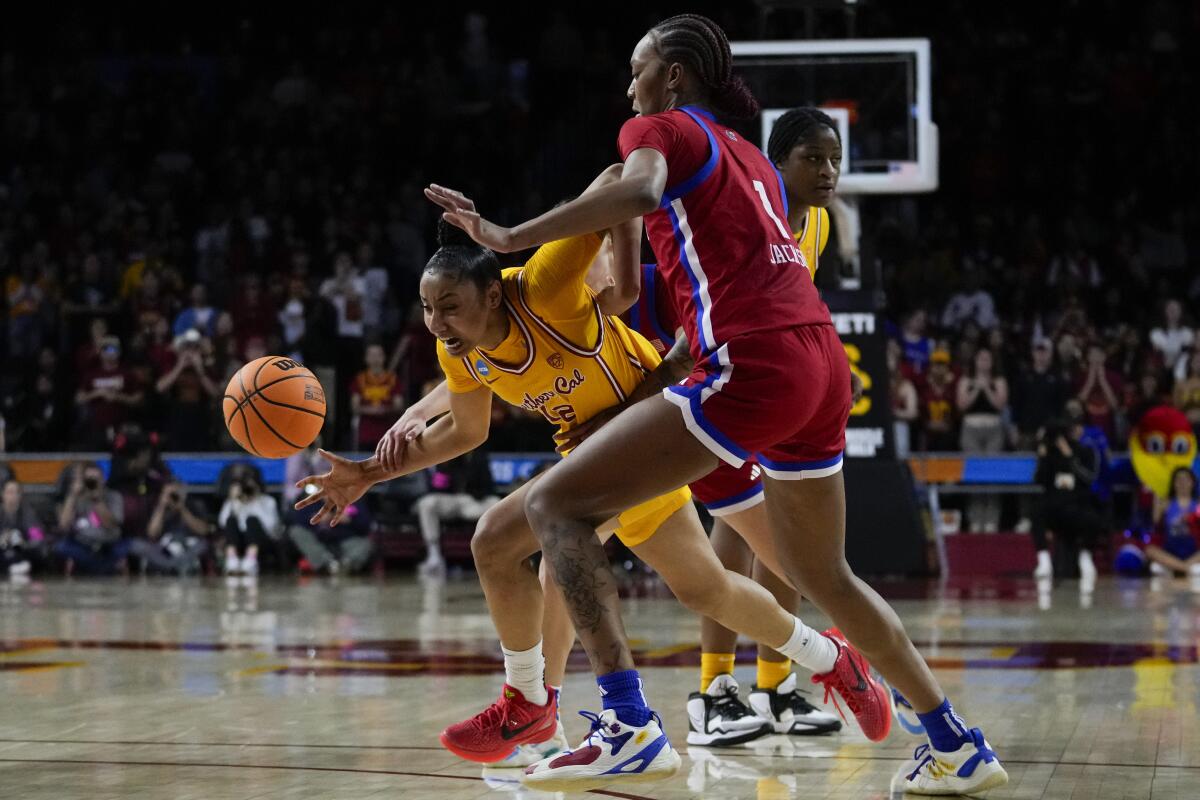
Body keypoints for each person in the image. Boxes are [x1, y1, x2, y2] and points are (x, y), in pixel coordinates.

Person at [425, 14, 1005, 794]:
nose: (628, 86)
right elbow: (655, 250)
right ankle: (954, 740)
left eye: (639, 69)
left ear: (673, 76)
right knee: (821, 573)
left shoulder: (657, 128)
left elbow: (639, 188)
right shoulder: (751, 160)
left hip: (752, 361)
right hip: (818, 359)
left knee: (555, 507)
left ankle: (627, 725)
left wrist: (506, 236)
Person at [298, 199, 880, 783]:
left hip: (654, 429)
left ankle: (536, 706)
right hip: (602, 457)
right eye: (427, 309)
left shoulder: (546, 286)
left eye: (449, 308)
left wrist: (518, 237)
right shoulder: (457, 347)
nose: (436, 323)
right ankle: (832, 657)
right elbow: (467, 431)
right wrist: (367, 474)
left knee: (500, 540)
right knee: (706, 590)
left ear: (493, 294)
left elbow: (615, 185)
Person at [1031, 417, 1104, 583]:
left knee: (1093, 518)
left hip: (1077, 505)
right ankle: (1043, 561)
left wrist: (1070, 457)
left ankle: (1085, 557)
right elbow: (1040, 480)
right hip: (1055, 507)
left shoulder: (1086, 452)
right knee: (1037, 512)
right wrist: (1042, 456)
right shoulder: (1050, 455)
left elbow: (1089, 479)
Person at [413, 444, 500, 578]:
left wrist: (477, 495)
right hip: (453, 500)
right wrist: (443, 467)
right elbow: (437, 486)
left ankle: (497, 554)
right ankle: (433, 554)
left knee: (497, 504)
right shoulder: (448, 453)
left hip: (474, 501)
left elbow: (488, 486)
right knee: (426, 503)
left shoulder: (480, 456)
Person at [956, 348, 1008, 532]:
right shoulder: (965, 380)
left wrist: (986, 387)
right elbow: (961, 405)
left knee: (993, 474)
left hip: (993, 429)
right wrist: (976, 388)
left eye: (988, 359)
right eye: (981, 358)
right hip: (971, 429)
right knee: (975, 473)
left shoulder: (998, 381)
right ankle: (975, 518)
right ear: (975, 361)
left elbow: (1000, 405)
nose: (984, 362)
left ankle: (992, 518)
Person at [55, 462, 130, 576]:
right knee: (61, 547)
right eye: (88, 480)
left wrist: (97, 500)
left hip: (108, 546)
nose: (92, 483)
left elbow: (110, 524)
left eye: (96, 480)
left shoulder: (114, 496)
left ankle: (102, 568)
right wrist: (72, 496)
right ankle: (100, 568)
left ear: (103, 480)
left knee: (125, 548)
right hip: (83, 546)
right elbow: (63, 525)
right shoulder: (78, 498)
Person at [132, 481, 211, 575]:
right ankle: (173, 566)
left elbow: (203, 531)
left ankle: (172, 567)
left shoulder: (194, 504)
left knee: (202, 545)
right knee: (137, 545)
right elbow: (152, 533)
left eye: (175, 493)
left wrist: (182, 509)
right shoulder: (157, 507)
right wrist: (162, 506)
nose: (172, 497)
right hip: (163, 549)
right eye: (170, 494)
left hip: (187, 547)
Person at [218, 470, 279, 576]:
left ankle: (251, 560)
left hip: (262, 541)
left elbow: (271, 527)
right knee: (231, 520)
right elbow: (223, 523)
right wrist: (233, 501)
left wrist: (255, 501)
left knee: (252, 520)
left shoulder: (268, 501)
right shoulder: (234, 501)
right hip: (239, 541)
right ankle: (232, 560)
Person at [1144, 467, 1200, 577]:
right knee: (1149, 550)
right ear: (1174, 484)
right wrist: (1156, 495)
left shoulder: (1198, 504)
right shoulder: (1166, 503)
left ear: (1192, 483)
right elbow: (1155, 521)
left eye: (1186, 480)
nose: (1182, 483)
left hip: (1194, 552)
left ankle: (1177, 568)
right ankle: (1185, 568)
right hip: (1170, 552)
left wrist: (1191, 518)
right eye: (1179, 480)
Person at [349, 343, 405, 451]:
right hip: (365, 433)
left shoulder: (392, 379)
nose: (375, 359)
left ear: (384, 357)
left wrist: (384, 410)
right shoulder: (360, 379)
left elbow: (399, 405)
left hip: (388, 431)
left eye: (378, 355)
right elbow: (354, 406)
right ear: (366, 358)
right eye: (372, 355)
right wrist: (371, 410)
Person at [1, 478, 46, 577]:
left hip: (23, 551)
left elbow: (38, 538)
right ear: (3, 494)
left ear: (20, 495)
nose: (12, 496)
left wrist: (24, 543)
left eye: (16, 492)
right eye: (9, 492)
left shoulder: (29, 514)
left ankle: (15, 566)